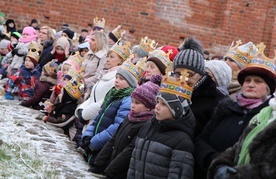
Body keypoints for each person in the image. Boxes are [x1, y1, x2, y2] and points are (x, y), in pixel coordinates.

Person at [195, 42, 275, 179]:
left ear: (268, 89)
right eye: (247, 80)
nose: (251, 84)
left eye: (258, 81)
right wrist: (215, 162)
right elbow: (201, 139)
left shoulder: (268, 117)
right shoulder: (225, 107)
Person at [128, 68, 196, 179]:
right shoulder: (147, 127)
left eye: (164, 104)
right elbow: (133, 164)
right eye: (157, 102)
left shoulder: (182, 141)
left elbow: (178, 175)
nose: (157, 107)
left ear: (177, 109)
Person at [88, 78, 160, 178]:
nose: (132, 106)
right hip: (112, 167)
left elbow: (129, 151)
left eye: (137, 103)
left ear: (149, 106)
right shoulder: (129, 117)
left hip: (122, 172)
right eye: (132, 101)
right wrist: (99, 164)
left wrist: (111, 170)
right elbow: (113, 139)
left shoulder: (146, 124)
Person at [81, 65, 138, 166]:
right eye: (116, 77)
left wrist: (95, 141)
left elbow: (117, 127)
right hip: (95, 143)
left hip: (105, 148)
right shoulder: (112, 95)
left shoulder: (127, 101)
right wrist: (88, 135)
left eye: (121, 79)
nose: (116, 81)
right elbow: (98, 118)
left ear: (131, 83)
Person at [81, 31, 108, 96]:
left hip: (89, 91)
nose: (89, 42)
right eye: (90, 39)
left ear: (99, 42)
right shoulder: (89, 54)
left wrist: (83, 82)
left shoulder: (103, 57)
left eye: (93, 40)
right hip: (80, 87)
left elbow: (97, 77)